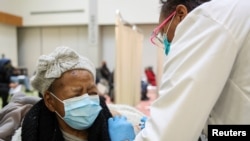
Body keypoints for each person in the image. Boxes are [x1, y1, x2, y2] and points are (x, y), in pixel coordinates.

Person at [108, 0, 250, 141]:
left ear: (180, 14)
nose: (165, 42)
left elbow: (168, 135)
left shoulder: (205, 22)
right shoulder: (234, 15)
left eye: (163, 33)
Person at [21, 46, 113, 141]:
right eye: (76, 95)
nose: (87, 100)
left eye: (92, 92)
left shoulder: (114, 127)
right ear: (50, 101)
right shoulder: (34, 134)